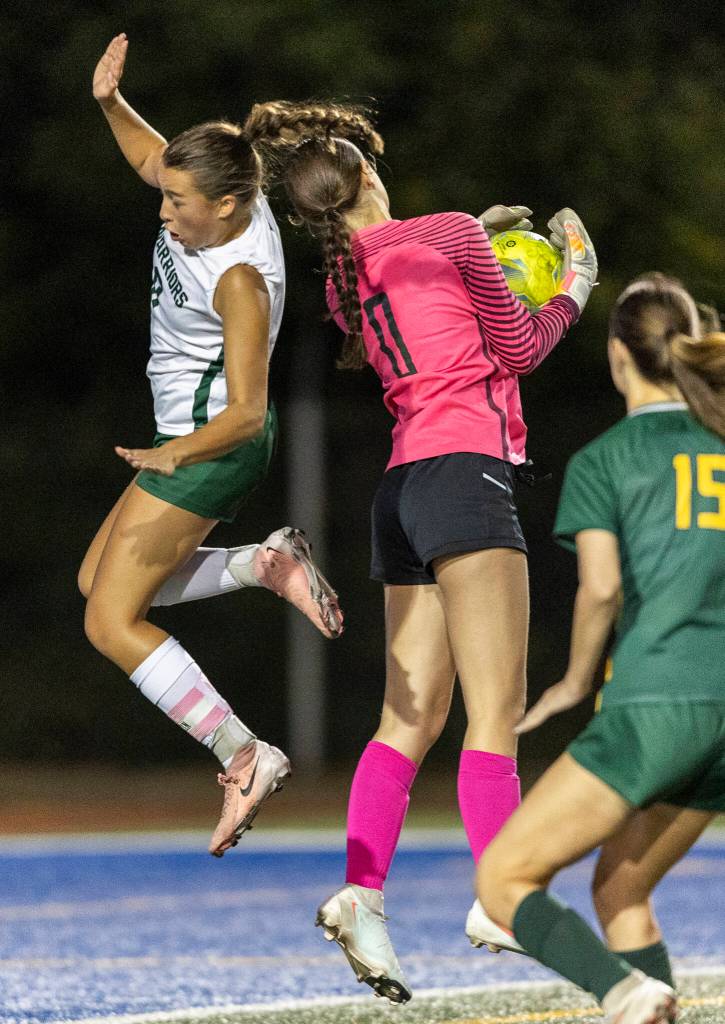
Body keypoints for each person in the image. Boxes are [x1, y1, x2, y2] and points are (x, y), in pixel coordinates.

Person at [242, 100, 598, 1001]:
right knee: (495, 711)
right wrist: (574, 285)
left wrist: (472, 239)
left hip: (400, 492)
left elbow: (417, 283)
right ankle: (501, 894)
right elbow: (515, 348)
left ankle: (361, 893)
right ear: (364, 174)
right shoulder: (443, 232)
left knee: (408, 719)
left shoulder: (340, 277)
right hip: (465, 475)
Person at [80, 37, 343, 859]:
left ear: (226, 208)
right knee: (97, 584)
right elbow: (155, 162)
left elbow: (249, 410)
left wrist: (174, 454)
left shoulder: (237, 277)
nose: (164, 211)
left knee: (110, 623)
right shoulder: (215, 201)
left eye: (180, 203)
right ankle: (261, 565)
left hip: (214, 446)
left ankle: (243, 752)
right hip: (189, 441)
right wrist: (110, 105)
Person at [470, 274, 725, 1024]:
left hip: (655, 707)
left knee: (502, 883)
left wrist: (574, 681)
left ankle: (623, 993)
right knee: (620, 890)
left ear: (618, 356)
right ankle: (642, 996)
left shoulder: (606, 459)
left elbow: (602, 589)